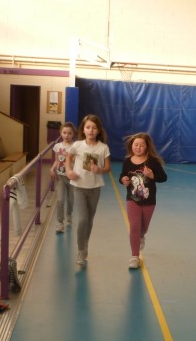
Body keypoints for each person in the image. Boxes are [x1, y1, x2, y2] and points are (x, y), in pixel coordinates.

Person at [65, 115, 111, 265]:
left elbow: (108, 168)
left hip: (95, 188)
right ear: (83, 130)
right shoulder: (77, 145)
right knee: (83, 219)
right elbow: (68, 158)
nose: (91, 130)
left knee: (90, 219)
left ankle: (85, 244)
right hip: (79, 187)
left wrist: (100, 170)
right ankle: (80, 250)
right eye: (88, 127)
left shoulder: (103, 147)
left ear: (98, 130)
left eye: (94, 128)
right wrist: (69, 170)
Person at [119, 132, 167, 269]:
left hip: (149, 201)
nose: (138, 147)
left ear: (147, 147)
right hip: (132, 199)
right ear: (131, 146)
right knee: (134, 226)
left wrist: (151, 175)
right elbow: (123, 175)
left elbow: (163, 177)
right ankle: (134, 257)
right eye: (136, 145)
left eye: (141, 145)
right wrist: (123, 180)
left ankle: (141, 236)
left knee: (143, 227)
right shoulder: (127, 161)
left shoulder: (152, 161)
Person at [51, 122, 76, 232]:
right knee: (60, 200)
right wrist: (52, 168)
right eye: (64, 133)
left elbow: (78, 160)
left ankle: (69, 214)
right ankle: (60, 222)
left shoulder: (75, 146)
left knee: (70, 200)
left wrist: (69, 156)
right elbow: (57, 160)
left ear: (73, 134)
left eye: (69, 133)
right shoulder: (58, 146)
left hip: (72, 178)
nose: (67, 135)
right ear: (61, 133)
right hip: (60, 177)